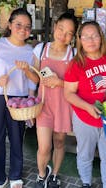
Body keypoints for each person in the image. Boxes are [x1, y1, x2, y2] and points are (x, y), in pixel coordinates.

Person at [0, 8, 37, 188]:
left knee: (17, 139)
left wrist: (27, 71)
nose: (23, 30)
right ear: (10, 25)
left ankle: (16, 175)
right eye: (18, 25)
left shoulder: (30, 51)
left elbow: (35, 81)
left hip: (19, 101)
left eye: (27, 27)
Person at [64, 21, 106, 188]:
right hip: (84, 117)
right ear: (80, 40)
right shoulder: (76, 64)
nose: (90, 40)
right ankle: (86, 183)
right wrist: (87, 107)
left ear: (101, 38)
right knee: (84, 154)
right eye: (86, 37)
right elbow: (68, 93)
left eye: (95, 36)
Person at [33, 12, 78, 188]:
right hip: (43, 105)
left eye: (69, 33)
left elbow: (78, 84)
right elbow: (36, 78)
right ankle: (42, 175)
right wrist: (25, 70)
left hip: (63, 106)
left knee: (59, 142)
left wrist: (58, 82)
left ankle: (55, 175)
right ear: (54, 27)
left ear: (73, 36)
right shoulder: (41, 49)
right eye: (61, 29)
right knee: (44, 147)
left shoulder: (74, 54)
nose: (63, 35)